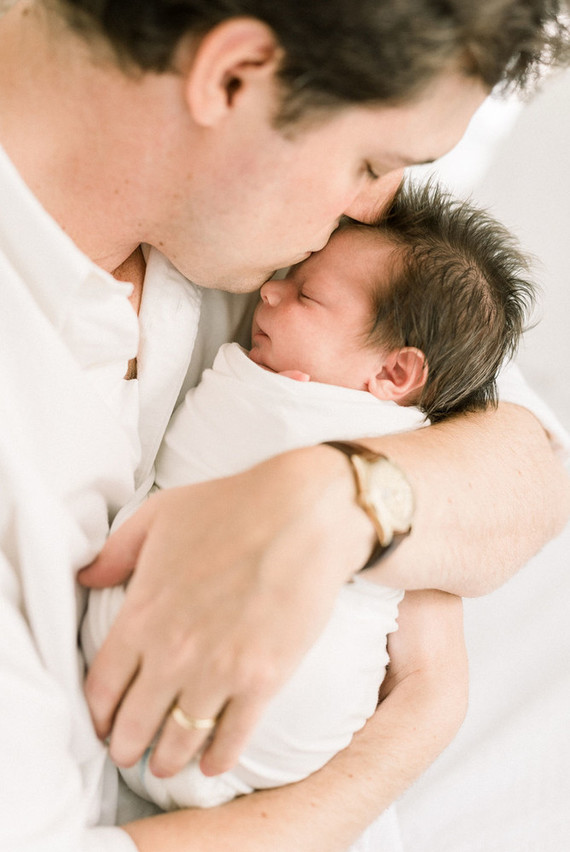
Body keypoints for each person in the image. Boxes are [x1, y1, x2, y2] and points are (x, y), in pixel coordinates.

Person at [1, 2, 569, 852]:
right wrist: (417, 722)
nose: (378, 207)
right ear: (232, 77)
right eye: (372, 162)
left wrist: (341, 498)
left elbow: (528, 455)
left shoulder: (245, 213)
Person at [82, 180, 538, 812]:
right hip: (286, 752)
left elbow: (531, 459)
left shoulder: (399, 388)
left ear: (394, 374)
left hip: (291, 708)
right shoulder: (360, 308)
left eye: (306, 294)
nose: (271, 290)